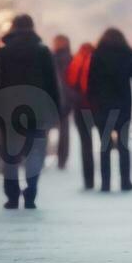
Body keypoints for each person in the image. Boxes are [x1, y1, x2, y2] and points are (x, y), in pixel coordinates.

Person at [0, 14, 61, 209]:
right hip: (38, 111)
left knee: (10, 155)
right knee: (36, 152)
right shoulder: (43, 51)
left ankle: (12, 196)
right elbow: (52, 85)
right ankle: (31, 192)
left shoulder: (2, 53)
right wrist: (56, 112)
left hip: (8, 112)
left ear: (13, 28)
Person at [86, 27, 132, 192]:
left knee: (104, 145)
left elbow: (91, 84)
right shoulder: (127, 55)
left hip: (102, 106)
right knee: (123, 145)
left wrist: (92, 105)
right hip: (123, 105)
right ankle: (125, 181)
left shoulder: (96, 55)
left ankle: (105, 183)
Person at [66, 41, 97, 189]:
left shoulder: (74, 62)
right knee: (105, 143)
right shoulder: (97, 61)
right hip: (97, 107)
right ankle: (106, 177)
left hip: (80, 107)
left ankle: (88, 180)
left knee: (86, 144)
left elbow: (69, 84)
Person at [51, 34, 75, 170]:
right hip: (67, 98)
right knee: (64, 131)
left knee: (45, 130)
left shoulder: (50, 58)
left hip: (52, 97)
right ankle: (62, 158)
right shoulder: (71, 59)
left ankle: (42, 157)